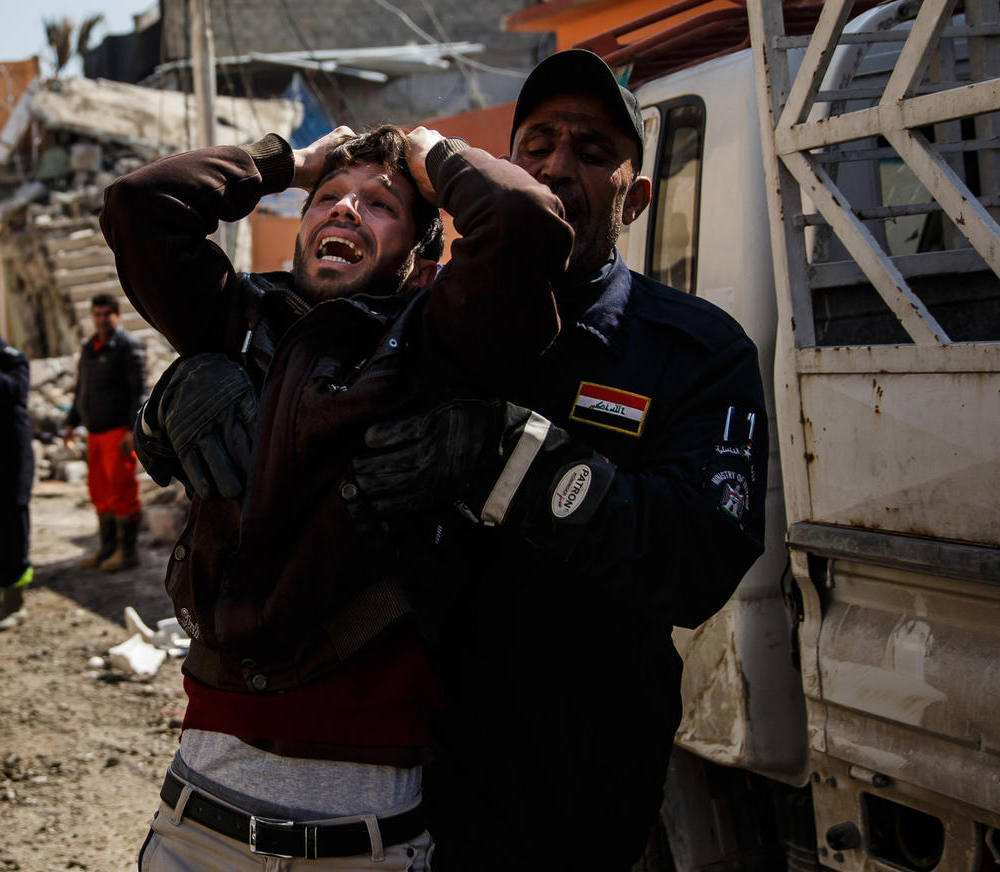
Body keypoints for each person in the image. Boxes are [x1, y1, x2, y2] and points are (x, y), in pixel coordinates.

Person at [100, 123, 570, 870]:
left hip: (364, 840)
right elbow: (137, 204)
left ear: (420, 263)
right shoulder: (238, 322)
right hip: (195, 825)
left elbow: (524, 221)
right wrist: (289, 162)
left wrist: (434, 157)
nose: (346, 208)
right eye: (328, 198)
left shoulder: (438, 342)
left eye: (381, 205)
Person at [348, 49, 770, 871]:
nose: (556, 166)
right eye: (536, 145)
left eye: (591, 150)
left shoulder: (696, 352)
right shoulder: (422, 318)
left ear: (634, 198)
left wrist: (507, 456)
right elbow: (294, 377)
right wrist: (184, 395)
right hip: (399, 769)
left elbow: (699, 557)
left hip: (576, 788)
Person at [63, 294, 145, 571]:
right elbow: (81, 391)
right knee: (100, 492)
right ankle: (107, 548)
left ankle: (127, 552)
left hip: (117, 433)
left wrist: (132, 429)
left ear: (117, 316)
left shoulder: (127, 346)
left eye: (106, 314)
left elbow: (139, 391)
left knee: (122, 491)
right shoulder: (89, 348)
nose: (101, 319)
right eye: (97, 314)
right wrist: (71, 423)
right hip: (94, 433)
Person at [0, 336, 34, 630]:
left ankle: (15, 602)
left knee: (13, 529)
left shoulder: (12, 359)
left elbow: (14, 392)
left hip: (12, 463)